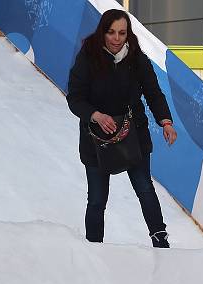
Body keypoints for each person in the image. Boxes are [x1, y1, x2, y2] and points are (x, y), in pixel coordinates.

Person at [66, 9, 178, 248]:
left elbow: (153, 93)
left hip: (133, 134)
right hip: (96, 139)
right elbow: (75, 98)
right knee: (96, 199)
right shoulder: (88, 57)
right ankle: (94, 248)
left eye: (122, 33)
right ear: (102, 32)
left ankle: (160, 240)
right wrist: (95, 115)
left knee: (145, 189)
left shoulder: (137, 58)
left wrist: (166, 121)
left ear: (128, 34)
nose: (116, 38)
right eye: (111, 32)